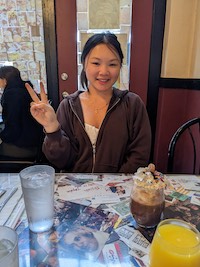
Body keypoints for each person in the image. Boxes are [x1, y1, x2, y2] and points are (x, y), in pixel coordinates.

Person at [26, 32, 151, 173]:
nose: (104, 71)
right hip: (76, 190)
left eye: (112, 64)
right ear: (84, 64)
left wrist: (113, 185)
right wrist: (52, 128)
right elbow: (61, 162)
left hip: (118, 190)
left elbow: (140, 155)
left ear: (120, 66)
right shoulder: (68, 107)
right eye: (96, 63)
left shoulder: (132, 104)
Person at [0, 66, 43, 159]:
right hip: (35, 140)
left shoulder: (12, 94)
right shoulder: (25, 89)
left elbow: (13, 125)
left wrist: (2, 136)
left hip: (24, 145)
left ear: (4, 79)